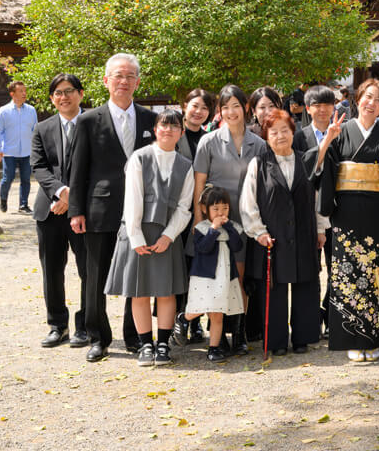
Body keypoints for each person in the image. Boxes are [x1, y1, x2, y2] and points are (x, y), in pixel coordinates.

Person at [68, 53, 157, 362]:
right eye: (118, 75)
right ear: (106, 81)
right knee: (95, 277)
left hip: (141, 210)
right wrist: (76, 210)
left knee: (137, 276)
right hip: (100, 209)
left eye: (130, 76)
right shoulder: (88, 120)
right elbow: (78, 168)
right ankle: (98, 337)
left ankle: (136, 336)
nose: (124, 81)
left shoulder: (149, 119)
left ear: (138, 82)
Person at [318, 79, 379, 361]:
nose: (371, 103)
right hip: (346, 214)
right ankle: (350, 340)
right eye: (368, 97)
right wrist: (328, 140)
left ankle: (372, 339)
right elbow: (322, 170)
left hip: (378, 216)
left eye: (378, 99)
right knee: (347, 277)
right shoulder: (341, 131)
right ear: (358, 99)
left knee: (374, 278)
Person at [103, 108, 193, 366]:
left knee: (166, 292)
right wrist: (136, 236)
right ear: (155, 129)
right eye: (164, 125)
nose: (168, 130)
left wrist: (169, 236)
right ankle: (145, 344)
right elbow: (132, 200)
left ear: (181, 132)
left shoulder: (186, 165)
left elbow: (184, 207)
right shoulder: (139, 158)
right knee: (139, 292)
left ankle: (163, 344)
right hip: (138, 233)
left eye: (174, 126)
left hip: (167, 235)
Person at [240, 109, 325, 354]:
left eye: (284, 130)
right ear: (266, 137)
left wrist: (321, 228)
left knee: (305, 283)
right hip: (272, 234)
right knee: (273, 288)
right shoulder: (258, 164)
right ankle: (276, 341)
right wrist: (258, 231)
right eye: (274, 132)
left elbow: (317, 198)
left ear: (292, 132)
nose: (280, 136)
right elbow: (248, 202)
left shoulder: (306, 159)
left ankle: (302, 338)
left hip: (304, 231)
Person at [191, 84, 267, 355]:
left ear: (245, 107)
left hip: (245, 220)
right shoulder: (208, 141)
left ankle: (239, 332)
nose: (231, 112)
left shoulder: (259, 144)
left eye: (236, 106)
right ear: (219, 111)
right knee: (216, 278)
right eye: (225, 107)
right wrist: (199, 221)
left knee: (239, 278)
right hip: (215, 220)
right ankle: (218, 335)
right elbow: (199, 183)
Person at [30, 73, 88, 349]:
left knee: (89, 270)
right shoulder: (42, 128)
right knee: (52, 270)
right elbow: (39, 166)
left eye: (68, 91)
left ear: (80, 93)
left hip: (84, 211)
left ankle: (86, 325)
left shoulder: (93, 124)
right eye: (58, 93)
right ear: (52, 99)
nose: (63, 97)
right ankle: (57, 325)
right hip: (49, 210)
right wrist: (61, 192)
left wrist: (71, 197)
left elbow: (98, 167)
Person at [298, 85, 341, 338]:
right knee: (312, 270)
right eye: (317, 104)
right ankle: (312, 319)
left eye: (327, 104)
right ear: (308, 108)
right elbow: (304, 174)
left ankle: (331, 316)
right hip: (308, 213)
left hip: (338, 212)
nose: (322, 109)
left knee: (338, 268)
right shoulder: (299, 137)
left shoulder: (342, 134)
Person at [184, 186, 245, 363]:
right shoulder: (201, 228)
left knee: (218, 314)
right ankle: (184, 318)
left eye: (225, 208)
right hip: (205, 277)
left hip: (225, 276)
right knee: (203, 306)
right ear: (205, 209)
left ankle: (214, 347)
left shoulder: (232, 227)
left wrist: (229, 227)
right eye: (216, 209)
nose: (220, 213)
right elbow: (203, 247)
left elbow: (237, 246)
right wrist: (213, 229)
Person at [173, 88, 214, 346]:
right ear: (184, 106)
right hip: (177, 212)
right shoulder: (173, 134)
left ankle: (194, 321)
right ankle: (176, 321)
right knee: (179, 270)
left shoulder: (210, 138)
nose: (198, 112)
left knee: (198, 270)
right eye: (195, 106)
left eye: (205, 108)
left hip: (205, 213)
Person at [0, 80, 38, 214]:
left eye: (25, 91)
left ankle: (23, 205)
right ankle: (3, 199)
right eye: (21, 91)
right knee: (8, 178)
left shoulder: (31, 110)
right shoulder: (3, 111)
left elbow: (35, 130)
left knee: (26, 179)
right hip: (9, 152)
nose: (24, 93)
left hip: (27, 151)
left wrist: (37, 148)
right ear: (12, 94)